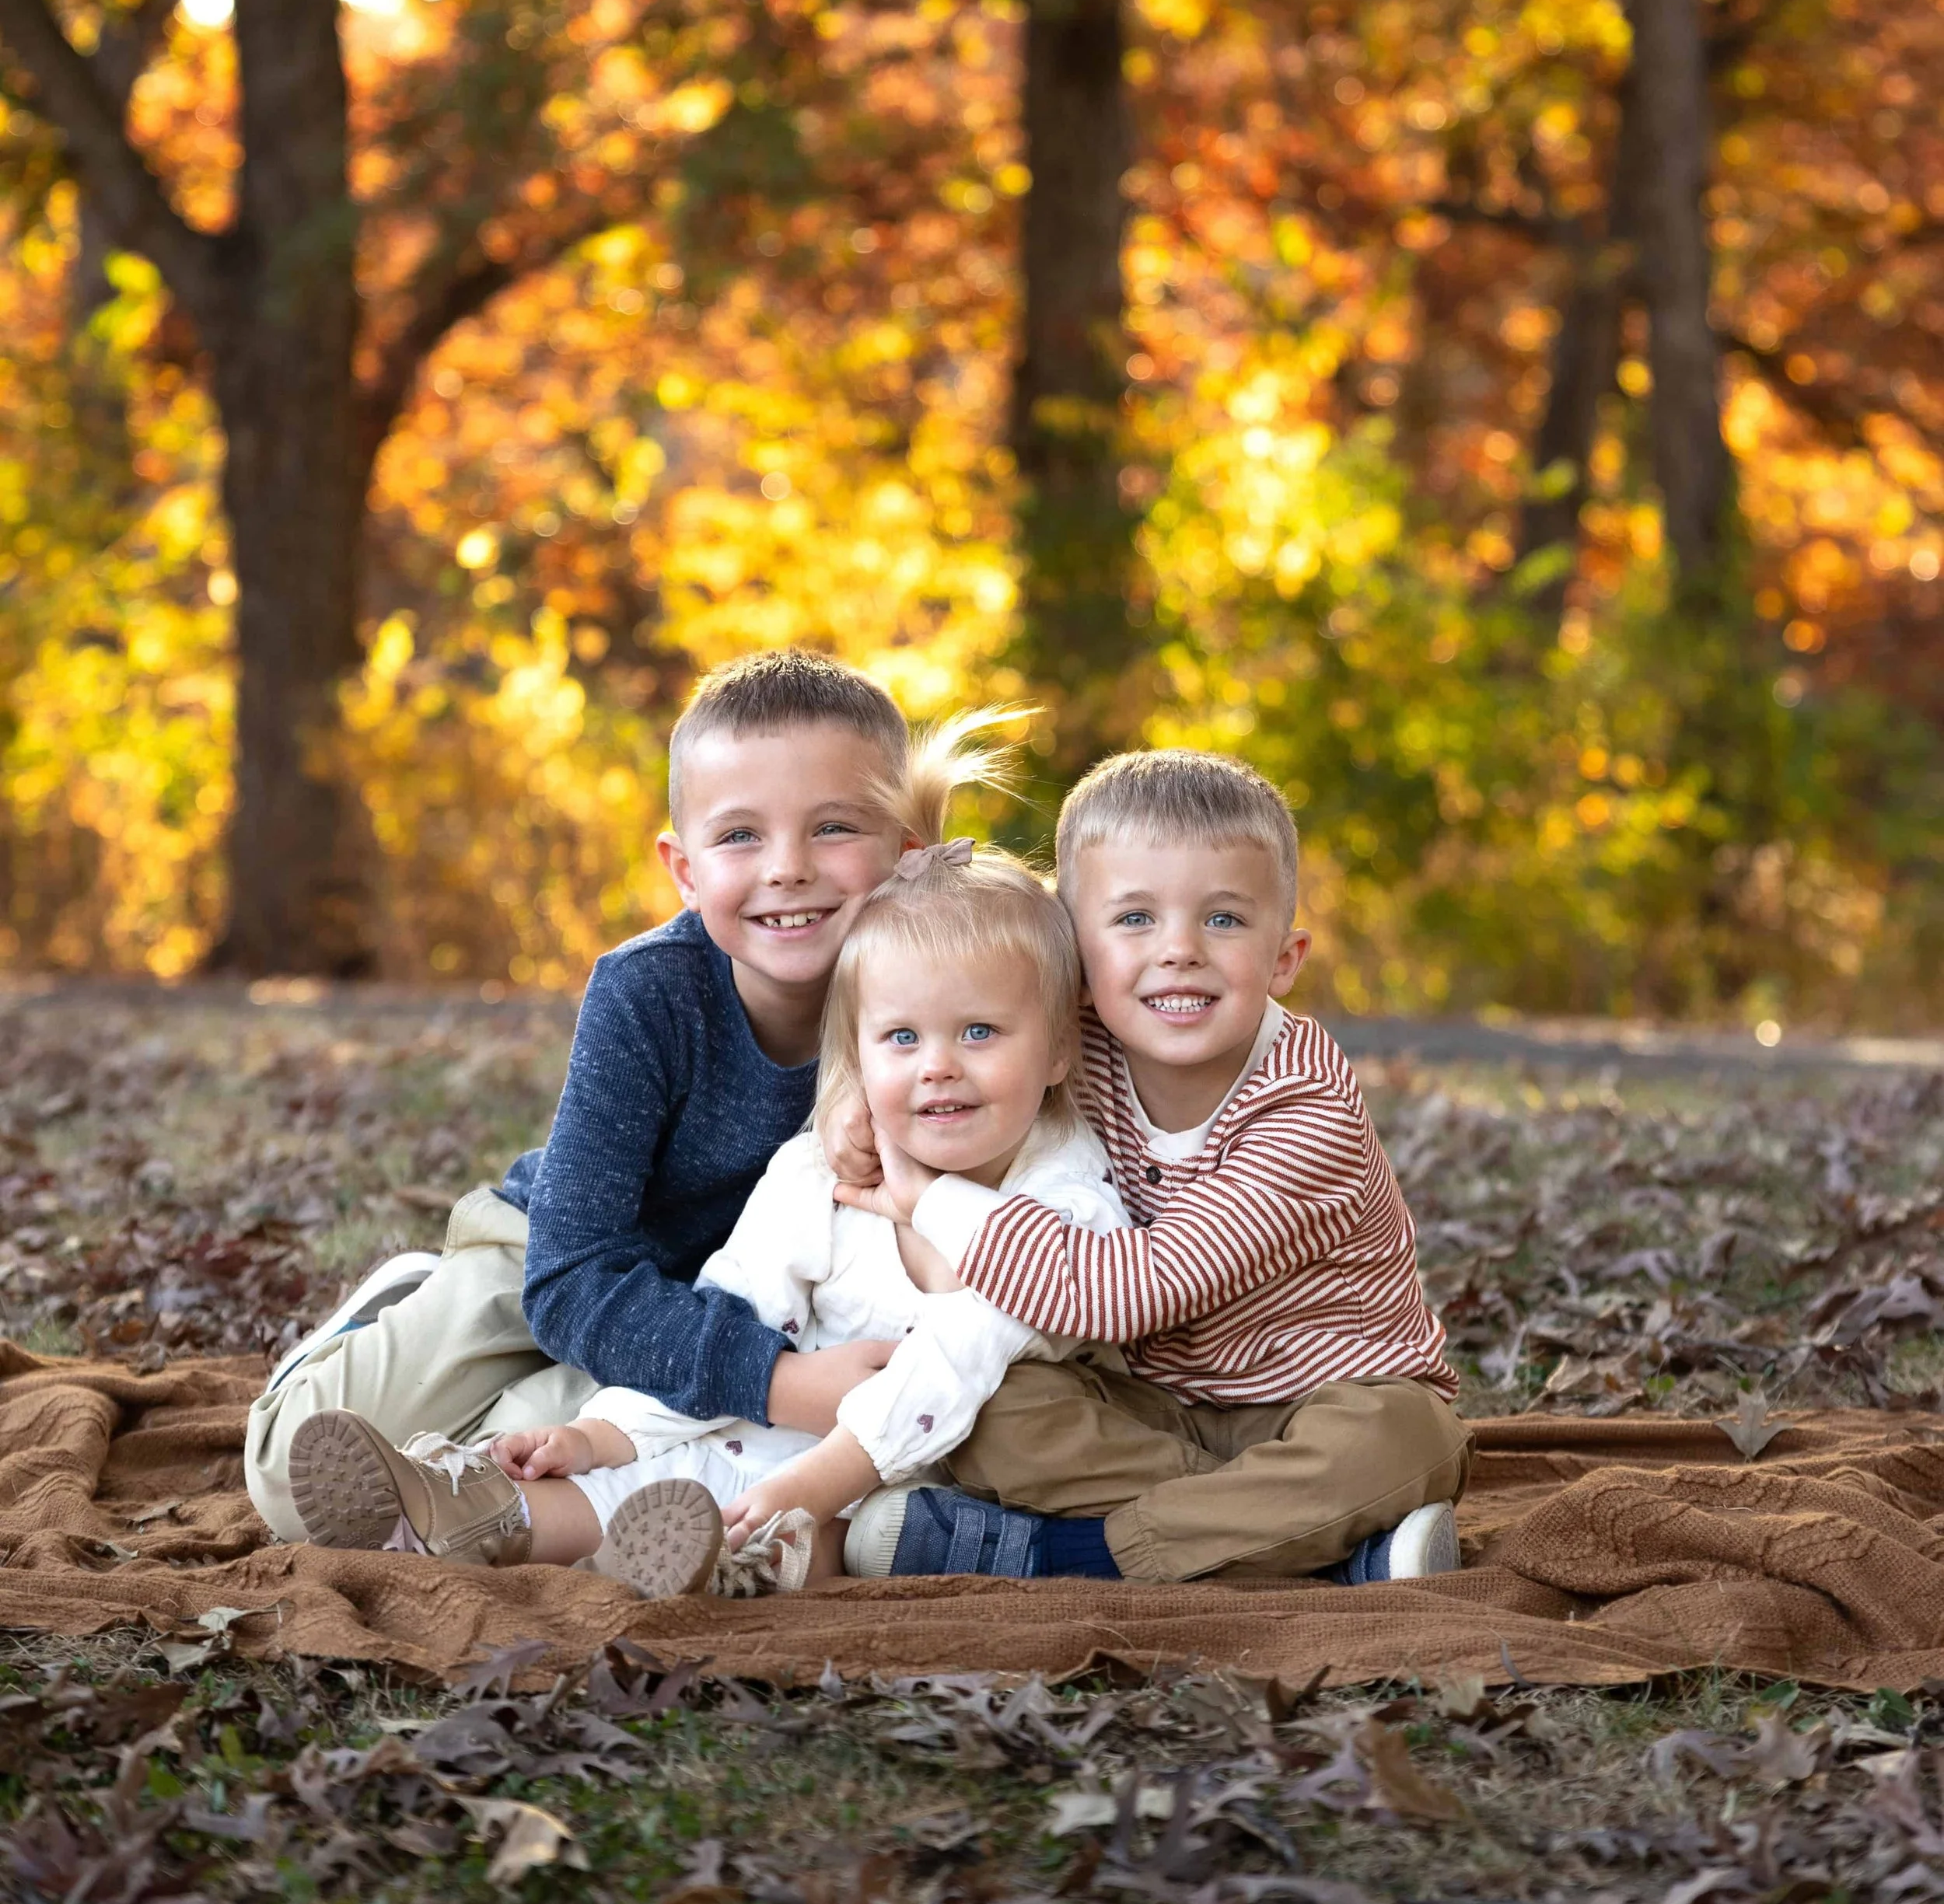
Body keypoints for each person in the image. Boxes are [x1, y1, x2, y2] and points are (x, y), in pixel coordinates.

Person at [285, 835, 1126, 1595]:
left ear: (1056, 1048)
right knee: (661, 1466)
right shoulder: (820, 1171)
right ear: (857, 1053)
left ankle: (719, 1567)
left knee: (822, 1520)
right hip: (775, 1420)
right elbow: (734, 1309)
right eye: (902, 1039)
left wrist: (810, 1485)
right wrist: (602, 1435)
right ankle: (465, 1514)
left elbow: (954, 1369)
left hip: (927, 1459)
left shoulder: (1062, 1209)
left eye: (979, 1032)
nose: (937, 1068)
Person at [247, 648, 940, 1546]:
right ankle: (392, 1314)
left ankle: (511, 1426)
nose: (787, 868)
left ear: (907, 857)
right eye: (739, 836)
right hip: (552, 1261)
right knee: (286, 1483)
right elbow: (573, 1274)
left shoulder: (943, 1002)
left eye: (835, 828)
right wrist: (778, 1386)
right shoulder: (649, 992)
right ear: (684, 870)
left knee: (520, 1477)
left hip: (730, 1308)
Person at [834, 748, 1470, 1586]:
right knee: (994, 1408)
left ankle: (1067, 1555)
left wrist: (929, 1199)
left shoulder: (1303, 1111)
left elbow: (1133, 1291)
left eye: (1224, 920)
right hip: (1147, 1412)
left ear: (1284, 957)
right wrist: (872, 1114)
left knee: (1402, 1443)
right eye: (1134, 919)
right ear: (1074, 954)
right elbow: (943, 1022)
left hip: (1323, 1402)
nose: (1178, 950)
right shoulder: (1071, 1044)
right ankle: (1323, 1548)